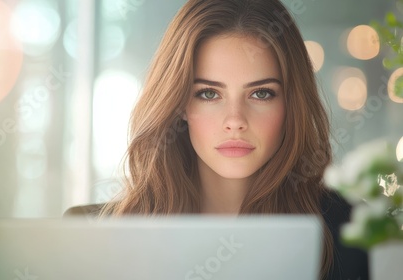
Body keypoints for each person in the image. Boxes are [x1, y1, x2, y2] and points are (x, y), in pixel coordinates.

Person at [65, 0, 369, 279]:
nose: (235, 120)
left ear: (291, 104)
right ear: (179, 103)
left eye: (261, 93)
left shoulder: (353, 231)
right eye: (209, 94)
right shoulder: (94, 237)